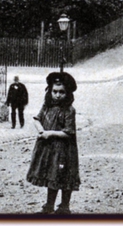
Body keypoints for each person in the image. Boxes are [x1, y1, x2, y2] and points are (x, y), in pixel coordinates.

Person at [27, 71, 80, 214]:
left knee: (65, 175)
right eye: (54, 91)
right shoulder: (47, 107)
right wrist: (40, 130)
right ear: (50, 91)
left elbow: (68, 132)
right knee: (52, 174)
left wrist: (49, 133)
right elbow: (36, 119)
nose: (57, 95)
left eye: (61, 92)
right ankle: (49, 205)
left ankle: (64, 206)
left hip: (64, 149)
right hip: (50, 148)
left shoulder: (69, 110)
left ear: (67, 93)